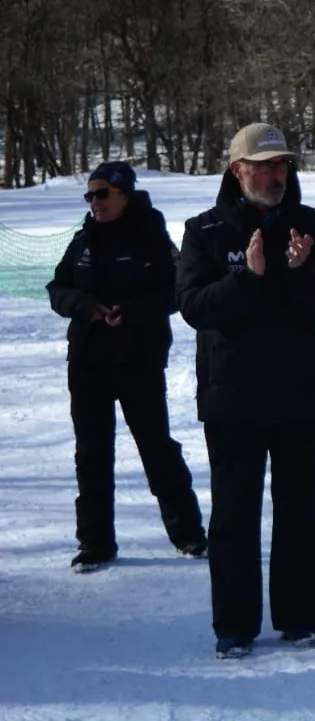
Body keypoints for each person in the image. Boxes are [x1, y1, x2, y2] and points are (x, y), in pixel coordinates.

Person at [177, 123, 315, 659]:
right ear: (238, 171)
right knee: (233, 514)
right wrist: (245, 278)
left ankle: (301, 618)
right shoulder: (204, 231)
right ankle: (234, 625)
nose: (276, 176)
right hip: (233, 399)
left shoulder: (309, 224)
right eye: (264, 166)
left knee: (300, 510)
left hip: (298, 395)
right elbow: (193, 307)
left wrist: (301, 270)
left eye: (282, 166)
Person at [47, 162, 207, 573]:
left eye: (102, 194)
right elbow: (57, 289)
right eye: (89, 195)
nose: (94, 202)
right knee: (92, 453)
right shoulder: (83, 240)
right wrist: (86, 307)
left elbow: (178, 291)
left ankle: (188, 534)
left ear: (124, 195)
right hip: (87, 360)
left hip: (138, 357)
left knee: (156, 446)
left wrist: (132, 313)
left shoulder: (151, 236)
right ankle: (95, 542)